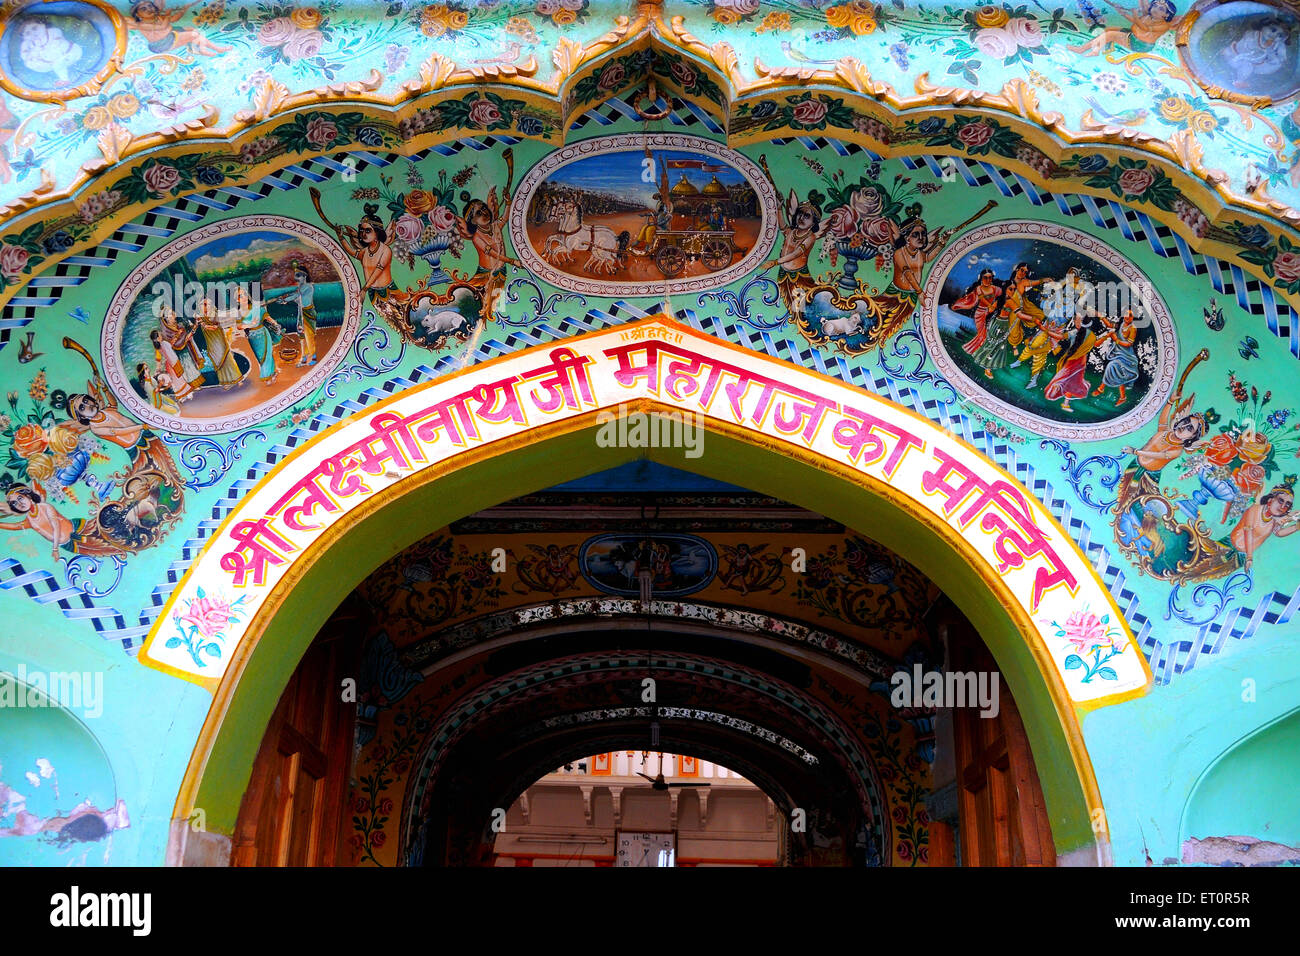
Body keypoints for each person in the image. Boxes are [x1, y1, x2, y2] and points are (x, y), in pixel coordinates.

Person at [1120, 393, 1208, 476]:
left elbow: (1159, 456)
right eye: (1185, 421)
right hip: (1135, 464)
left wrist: (1135, 452)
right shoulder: (1165, 432)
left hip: (1148, 477)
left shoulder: (1177, 451)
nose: (1183, 426)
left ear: (1192, 436)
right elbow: (1163, 418)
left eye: (1189, 428)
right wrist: (1170, 402)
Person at [1068, 0, 1183, 56]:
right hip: (1133, 36)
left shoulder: (1164, 25)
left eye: (1161, 9)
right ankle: (1099, 49)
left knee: (1110, 35)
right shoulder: (1149, 16)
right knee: (1109, 29)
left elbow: (1143, 27)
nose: (1155, 9)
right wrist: (1123, 13)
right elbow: (1134, 21)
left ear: (1167, 15)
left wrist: (1134, 14)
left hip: (1140, 44)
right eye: (1155, 6)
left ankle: (1082, 49)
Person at [1043, 312, 1106, 411]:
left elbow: (1060, 337)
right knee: (1068, 381)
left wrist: (1045, 330)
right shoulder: (1087, 335)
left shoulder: (1079, 334)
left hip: (1076, 363)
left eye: (1078, 320)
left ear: (1083, 322)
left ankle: (1064, 403)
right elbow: (1096, 344)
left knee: (1069, 382)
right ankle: (1059, 397)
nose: (1075, 321)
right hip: (1077, 362)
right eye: (1075, 319)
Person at [1230, 480, 1297, 571]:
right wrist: (1249, 557)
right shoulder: (1255, 509)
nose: (1283, 507)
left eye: (1287, 504)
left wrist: (1296, 527)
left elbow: (1279, 533)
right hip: (1228, 547)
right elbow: (1248, 531)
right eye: (1281, 501)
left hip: (1242, 558)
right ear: (1270, 499)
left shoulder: (1274, 520)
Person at [127, 1, 231, 57]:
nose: (149, 9)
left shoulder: (158, 17)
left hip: (170, 36)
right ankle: (204, 49)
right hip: (161, 44)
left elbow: (174, 19)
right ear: (137, 14)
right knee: (193, 35)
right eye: (143, 9)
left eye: (150, 5)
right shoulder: (141, 24)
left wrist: (184, 9)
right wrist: (167, 15)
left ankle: (210, 48)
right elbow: (163, 27)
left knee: (193, 30)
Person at [950, 269, 1003, 356]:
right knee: (982, 334)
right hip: (980, 313)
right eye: (985, 278)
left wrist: (996, 304)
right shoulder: (979, 288)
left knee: (989, 333)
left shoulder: (995, 289)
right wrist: (990, 306)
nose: (988, 280)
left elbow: (1001, 295)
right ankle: (973, 350)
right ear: (981, 278)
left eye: (990, 278)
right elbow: (982, 298)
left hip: (991, 313)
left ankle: (981, 351)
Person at [1093, 309, 1140, 405]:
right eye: (1126, 314)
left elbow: (1128, 344)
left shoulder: (1133, 328)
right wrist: (1100, 315)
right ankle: (1122, 397)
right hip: (1118, 354)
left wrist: (1116, 340)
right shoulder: (1121, 324)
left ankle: (1102, 388)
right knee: (1117, 371)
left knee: (1112, 366)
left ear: (1133, 317)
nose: (1127, 317)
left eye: (1130, 315)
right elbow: (1109, 325)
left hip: (1127, 357)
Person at [237, 287, 283, 384]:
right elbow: (239, 326)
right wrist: (250, 325)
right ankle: (271, 373)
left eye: (245, 294)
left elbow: (267, 317)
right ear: (237, 299)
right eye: (240, 296)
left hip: (263, 333)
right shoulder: (239, 312)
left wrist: (275, 324)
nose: (244, 297)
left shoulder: (256, 307)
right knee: (260, 358)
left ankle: (267, 376)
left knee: (267, 355)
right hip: (252, 338)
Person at [273, 265, 316, 367]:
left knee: (309, 336)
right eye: (296, 275)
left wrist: (285, 299)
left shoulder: (309, 287)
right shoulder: (300, 288)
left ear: (304, 276)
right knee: (301, 335)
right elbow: (297, 298)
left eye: (298, 275)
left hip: (308, 313)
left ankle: (312, 359)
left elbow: (297, 296)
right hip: (301, 312)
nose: (296, 278)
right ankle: (304, 358)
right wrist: (284, 300)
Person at [196, 295, 242, 387]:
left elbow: (215, 326)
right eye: (203, 304)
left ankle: (236, 378)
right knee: (217, 359)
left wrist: (205, 325)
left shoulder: (213, 312)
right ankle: (225, 381)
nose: (206, 306)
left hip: (218, 338)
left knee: (225, 357)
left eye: (208, 304)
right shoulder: (200, 316)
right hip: (210, 341)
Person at [149, 327, 195, 403]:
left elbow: (172, 343)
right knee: (176, 381)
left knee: (181, 378)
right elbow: (159, 361)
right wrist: (157, 371)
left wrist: (178, 334)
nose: (161, 335)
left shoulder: (164, 343)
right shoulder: (159, 349)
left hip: (175, 362)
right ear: (157, 339)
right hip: (171, 365)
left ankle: (188, 393)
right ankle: (183, 395)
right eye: (159, 335)